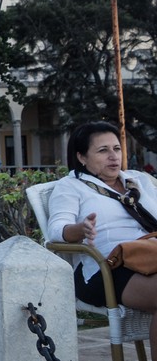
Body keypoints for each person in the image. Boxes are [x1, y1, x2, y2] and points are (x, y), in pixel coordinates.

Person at [48, 120, 157, 349]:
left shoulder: (138, 181)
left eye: (116, 149)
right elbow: (56, 231)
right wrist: (81, 229)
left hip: (150, 257)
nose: (113, 156)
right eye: (103, 150)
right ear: (82, 157)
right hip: (108, 268)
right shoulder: (71, 186)